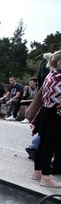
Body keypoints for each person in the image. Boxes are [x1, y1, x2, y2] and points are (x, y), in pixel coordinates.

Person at [31, 51, 61, 187]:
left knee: (42, 143)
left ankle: (37, 171)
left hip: (46, 111)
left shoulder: (51, 75)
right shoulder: (59, 77)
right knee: (49, 145)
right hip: (55, 114)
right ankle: (46, 177)